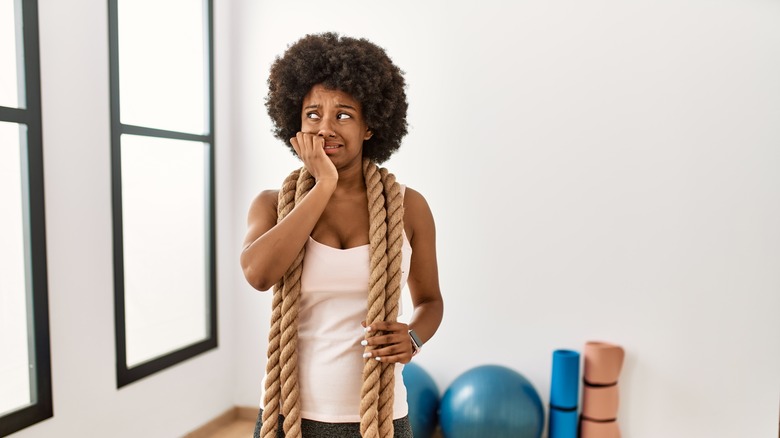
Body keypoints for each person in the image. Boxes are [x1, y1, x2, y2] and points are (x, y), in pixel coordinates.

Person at [240, 32, 444, 438]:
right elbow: (259, 275)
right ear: (294, 124)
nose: (326, 129)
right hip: (288, 412)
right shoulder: (271, 204)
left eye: (344, 115)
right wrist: (323, 187)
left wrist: (414, 338)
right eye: (313, 115)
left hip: (380, 413)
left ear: (371, 127)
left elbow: (430, 301)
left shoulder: (408, 207)